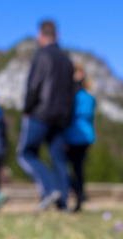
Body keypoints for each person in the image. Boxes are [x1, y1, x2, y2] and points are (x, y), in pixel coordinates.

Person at [17, 20, 74, 210]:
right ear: (57, 35)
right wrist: (67, 119)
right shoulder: (67, 60)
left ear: (40, 35)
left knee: (25, 153)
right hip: (61, 118)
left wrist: (27, 109)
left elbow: (34, 86)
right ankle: (63, 204)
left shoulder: (42, 55)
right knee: (58, 159)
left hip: (40, 114)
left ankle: (50, 190)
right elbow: (71, 93)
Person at [64, 63, 96, 212]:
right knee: (77, 167)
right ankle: (79, 194)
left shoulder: (77, 95)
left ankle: (78, 194)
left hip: (75, 135)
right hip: (84, 136)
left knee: (71, 167)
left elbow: (75, 114)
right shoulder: (88, 95)